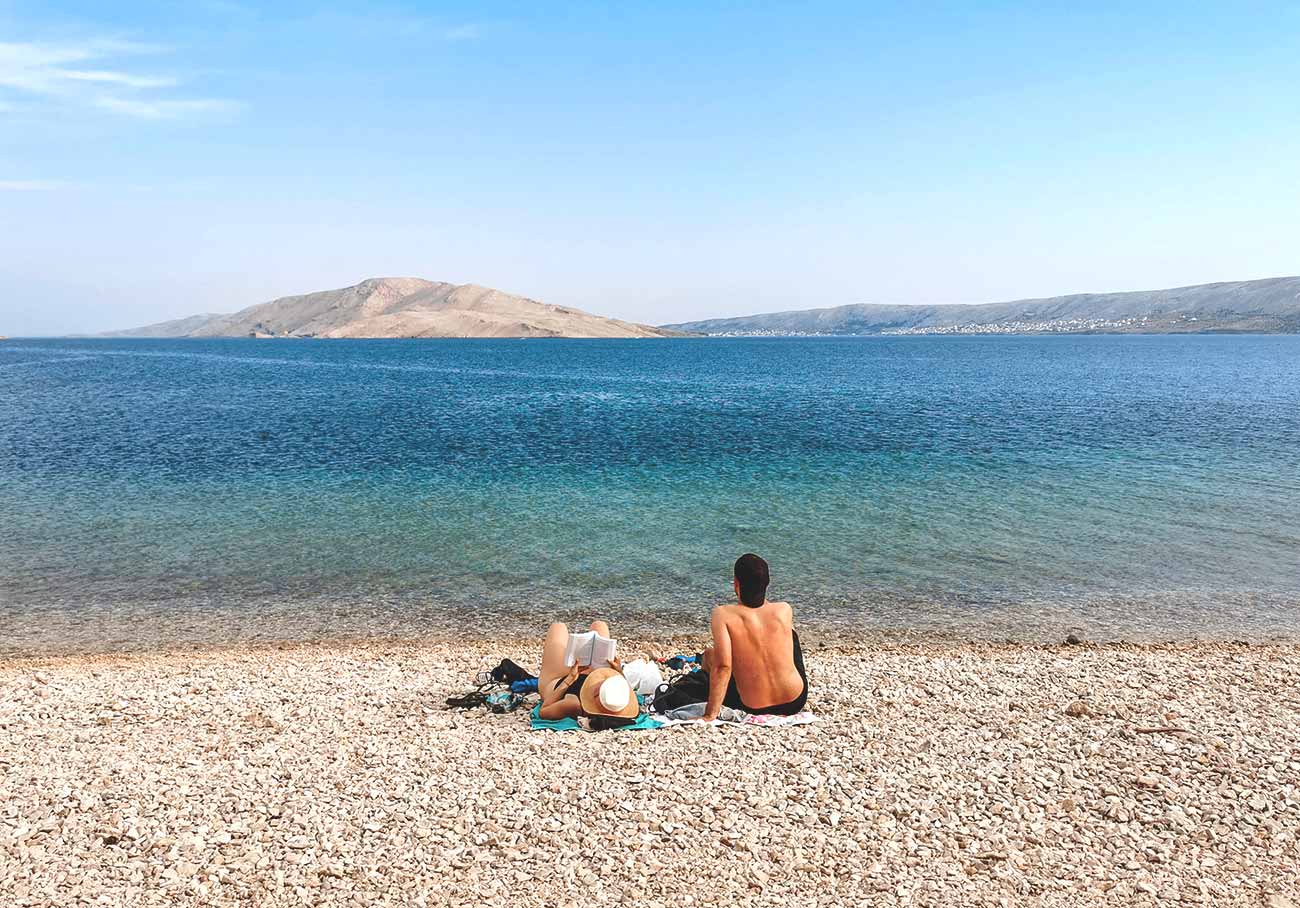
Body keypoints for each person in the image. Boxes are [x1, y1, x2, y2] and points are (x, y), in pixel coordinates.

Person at [699, 554, 808, 720]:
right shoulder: (784, 610)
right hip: (795, 700)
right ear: (767, 584)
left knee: (709, 655)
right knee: (790, 633)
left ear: (736, 583)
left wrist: (710, 714)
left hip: (753, 706)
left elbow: (723, 666)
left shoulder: (723, 615)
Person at [536, 620, 641, 726]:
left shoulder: (573, 705)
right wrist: (619, 671)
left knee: (558, 626)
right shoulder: (619, 703)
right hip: (585, 673)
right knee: (600, 625)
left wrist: (569, 679)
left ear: (595, 695)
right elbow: (625, 690)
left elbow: (543, 711)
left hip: (558, 680)